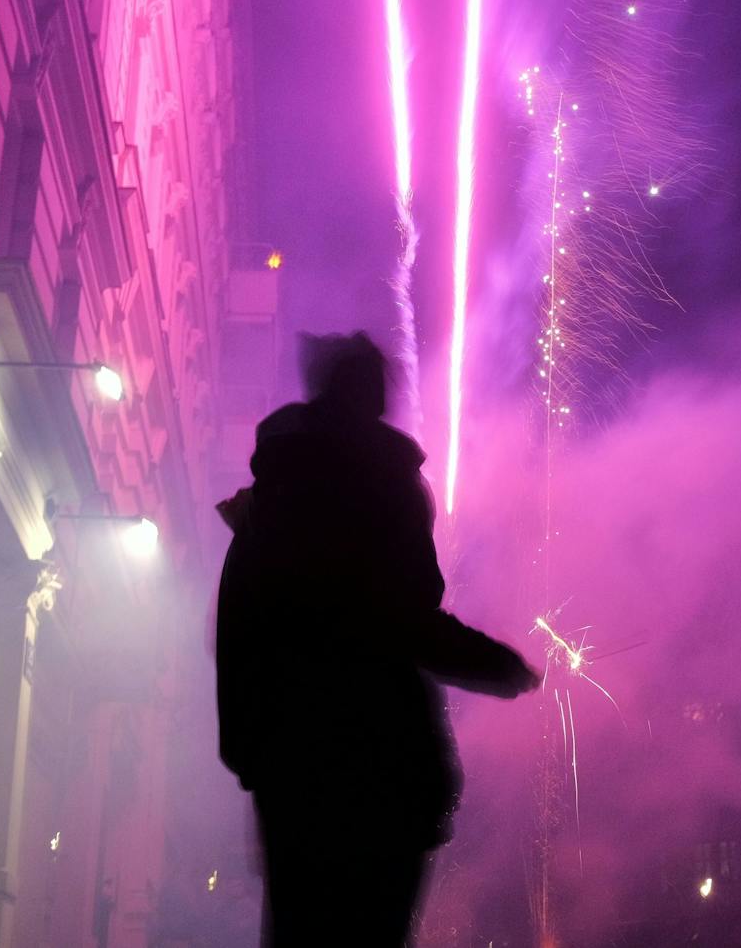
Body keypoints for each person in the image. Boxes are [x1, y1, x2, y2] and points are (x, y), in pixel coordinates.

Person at [215, 333, 539, 946]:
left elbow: (237, 635)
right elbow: (404, 618)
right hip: (385, 771)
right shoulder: (385, 487)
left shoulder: (265, 507)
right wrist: (498, 666)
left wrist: (252, 759)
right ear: (369, 396)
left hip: (291, 774)